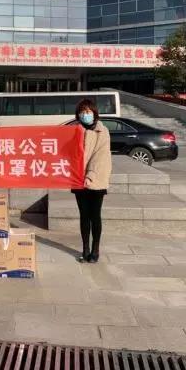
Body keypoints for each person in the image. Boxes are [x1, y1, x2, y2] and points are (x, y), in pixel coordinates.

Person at [69, 98, 112, 263]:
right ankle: (85, 249)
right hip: (78, 180)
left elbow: (100, 157)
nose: (84, 114)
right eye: (82, 111)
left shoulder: (102, 131)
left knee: (95, 215)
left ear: (94, 113)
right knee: (84, 216)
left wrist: (90, 176)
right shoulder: (74, 131)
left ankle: (95, 249)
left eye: (87, 111)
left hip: (96, 181)